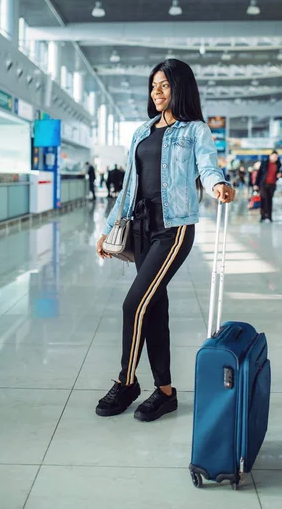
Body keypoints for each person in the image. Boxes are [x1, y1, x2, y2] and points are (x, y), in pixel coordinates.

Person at [96, 59, 235, 422]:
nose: (157, 92)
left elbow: (207, 165)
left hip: (172, 230)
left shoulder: (195, 131)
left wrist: (218, 184)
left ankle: (126, 381)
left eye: (165, 85)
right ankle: (165, 391)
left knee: (134, 305)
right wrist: (110, 227)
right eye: (153, 86)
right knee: (154, 308)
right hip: (140, 228)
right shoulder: (142, 131)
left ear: (180, 87)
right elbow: (129, 185)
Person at [254, 151, 281, 222]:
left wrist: (279, 175)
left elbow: (280, 173)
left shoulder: (278, 164)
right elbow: (259, 174)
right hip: (263, 184)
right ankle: (263, 216)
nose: (275, 158)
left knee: (269, 200)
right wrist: (256, 184)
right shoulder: (264, 163)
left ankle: (269, 216)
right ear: (270, 156)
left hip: (272, 185)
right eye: (274, 156)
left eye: (276, 157)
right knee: (263, 199)